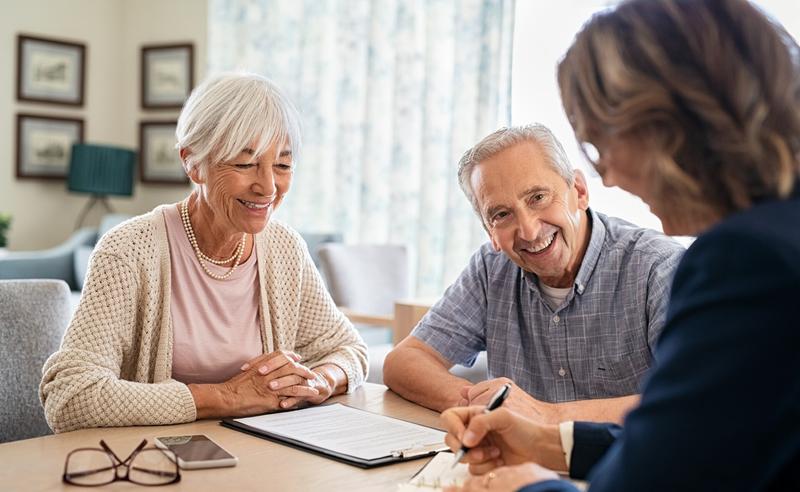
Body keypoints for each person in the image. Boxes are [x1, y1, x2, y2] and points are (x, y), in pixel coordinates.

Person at [441, 0, 800, 490]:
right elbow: (697, 437)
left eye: (600, 143)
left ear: (664, 125)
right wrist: (548, 443)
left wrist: (526, 485)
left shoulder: (745, 261)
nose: (606, 172)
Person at [40, 73, 368, 433]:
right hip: (156, 463)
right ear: (193, 163)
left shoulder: (284, 247)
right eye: (245, 164)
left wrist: (318, 382)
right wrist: (227, 397)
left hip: (266, 459)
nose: (268, 187)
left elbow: (349, 350)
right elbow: (70, 398)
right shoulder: (128, 251)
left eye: (283, 165)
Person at [384, 124, 684, 425]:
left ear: (578, 191)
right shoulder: (491, 269)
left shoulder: (658, 267)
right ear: (491, 231)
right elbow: (403, 361)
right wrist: (486, 405)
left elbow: (694, 399)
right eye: (502, 214)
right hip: (518, 468)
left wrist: (544, 416)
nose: (528, 230)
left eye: (538, 197)